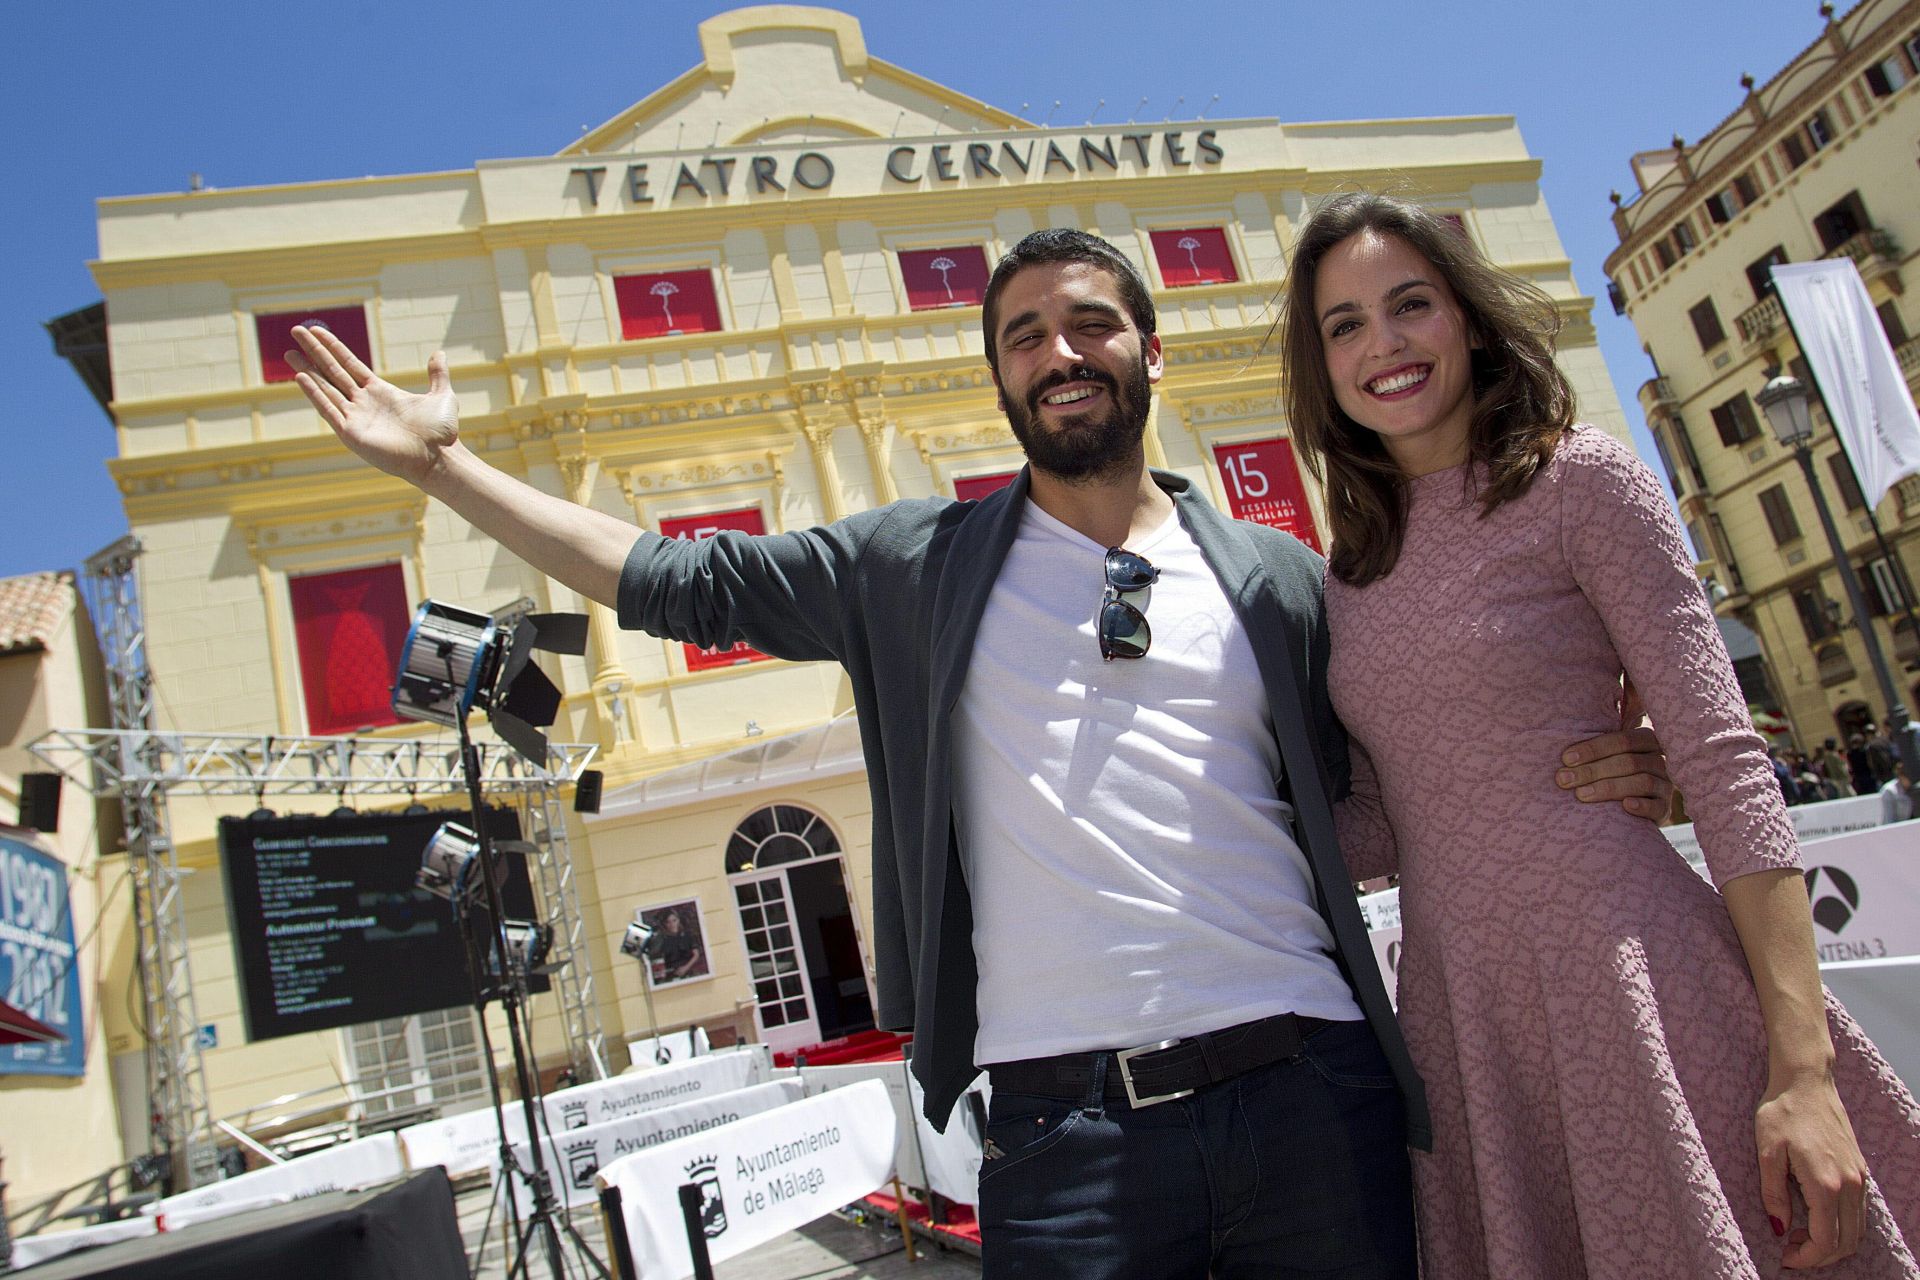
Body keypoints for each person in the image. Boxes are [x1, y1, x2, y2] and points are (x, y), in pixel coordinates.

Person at [287, 229, 1672, 1279]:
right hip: (1065, 1139)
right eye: (1024, 335)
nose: (1060, 351)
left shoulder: (1277, 575)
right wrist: (442, 470)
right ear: (1001, 375)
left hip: (1316, 1096)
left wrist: (1612, 755)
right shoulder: (912, 566)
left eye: (1091, 323)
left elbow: (1395, 776)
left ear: (1151, 354)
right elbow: (671, 578)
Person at [1281, 190, 1920, 1278]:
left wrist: (1803, 1069)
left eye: (1410, 304)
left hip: (1633, 982)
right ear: (1323, 366)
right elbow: (1390, 819)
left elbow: (1725, 760)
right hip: (1463, 1019)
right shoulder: (1347, 574)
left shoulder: (1582, 480)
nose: (1383, 344)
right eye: (1345, 325)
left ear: (1468, 317)